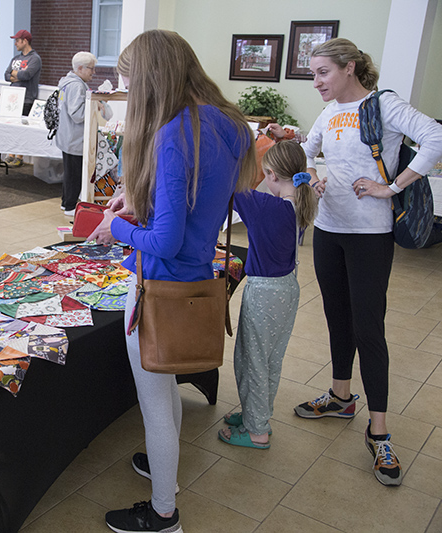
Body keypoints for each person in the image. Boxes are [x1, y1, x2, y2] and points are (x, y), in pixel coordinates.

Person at [88, 30, 256, 533]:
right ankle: (166, 474)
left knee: (156, 403)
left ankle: (164, 512)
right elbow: (195, 202)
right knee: (167, 392)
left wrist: (114, 226)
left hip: (157, 284)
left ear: (152, 77)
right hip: (196, 274)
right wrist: (139, 202)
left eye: (131, 80)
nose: (129, 91)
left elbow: (162, 241)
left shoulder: (172, 133)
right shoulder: (227, 125)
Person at [296, 37, 442, 486]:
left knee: (368, 328)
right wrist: (311, 176)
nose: (316, 81)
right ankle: (341, 396)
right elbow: (305, 152)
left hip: (369, 237)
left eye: (323, 72)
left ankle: (378, 430)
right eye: (313, 73)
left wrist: (392, 187)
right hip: (329, 232)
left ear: (350, 67)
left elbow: (437, 137)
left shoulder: (384, 104)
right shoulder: (328, 113)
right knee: (337, 318)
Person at [219, 141, 317, 449]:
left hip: (265, 293)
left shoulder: (265, 206)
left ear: (271, 174)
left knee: (253, 360)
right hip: (286, 289)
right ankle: (255, 416)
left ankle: (257, 430)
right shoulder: (296, 203)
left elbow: (230, 185)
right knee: (268, 358)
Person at [55, 51, 112, 217]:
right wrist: (97, 103)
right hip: (75, 138)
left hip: (68, 136)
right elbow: (78, 115)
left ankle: (67, 202)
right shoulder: (76, 85)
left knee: (70, 172)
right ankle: (70, 206)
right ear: (80, 68)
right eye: (91, 69)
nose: (93, 73)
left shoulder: (66, 82)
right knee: (75, 174)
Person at [3, 29, 42, 167]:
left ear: (25, 41)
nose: (15, 44)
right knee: (12, 127)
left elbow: (27, 76)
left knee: (22, 128)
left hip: (27, 98)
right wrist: (18, 74)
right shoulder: (15, 59)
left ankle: (19, 156)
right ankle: (11, 154)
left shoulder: (34, 59)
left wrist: (15, 75)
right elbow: (6, 75)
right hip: (13, 98)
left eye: (17, 41)